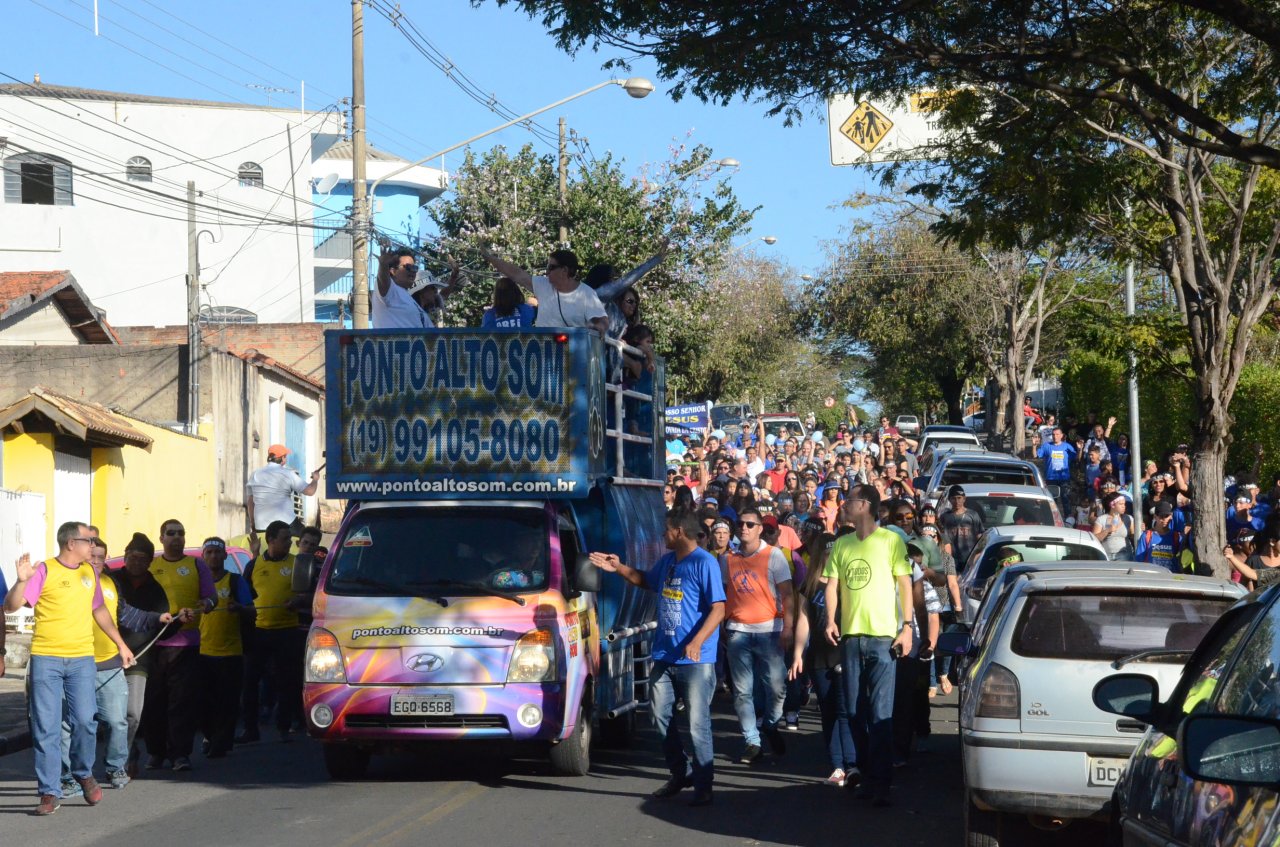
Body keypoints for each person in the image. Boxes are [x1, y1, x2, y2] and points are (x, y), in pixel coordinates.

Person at [589, 511, 725, 807]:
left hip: (696, 660)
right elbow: (645, 580)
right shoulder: (668, 562)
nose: (662, 536)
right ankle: (681, 772)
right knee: (659, 716)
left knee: (697, 723)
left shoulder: (705, 563)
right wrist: (620, 568)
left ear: (678, 531)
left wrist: (697, 642)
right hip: (665, 655)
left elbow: (718, 608)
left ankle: (704, 784)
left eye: (665, 531)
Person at [3, 524, 136, 816]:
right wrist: (21, 581)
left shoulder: (90, 573)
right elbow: (10, 606)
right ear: (71, 543)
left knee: (85, 722)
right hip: (47, 659)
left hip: (81, 660)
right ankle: (49, 791)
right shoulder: (45, 570)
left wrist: (121, 644)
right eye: (89, 541)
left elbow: (99, 610)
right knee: (46, 728)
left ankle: (83, 771)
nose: (93, 545)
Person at [822, 484, 913, 807]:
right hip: (851, 637)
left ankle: (881, 782)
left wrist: (907, 627)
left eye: (849, 500)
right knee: (854, 711)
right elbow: (831, 586)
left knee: (880, 713)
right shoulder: (843, 544)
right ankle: (867, 772)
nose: (844, 505)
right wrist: (831, 620)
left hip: (883, 638)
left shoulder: (890, 540)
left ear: (866, 505)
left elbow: (905, 583)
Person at [59, 538, 173, 794]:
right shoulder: (72, 583)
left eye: (101, 557)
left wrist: (158, 617)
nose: (96, 562)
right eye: (93, 556)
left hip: (109, 664)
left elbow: (127, 614)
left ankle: (115, 766)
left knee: (118, 721)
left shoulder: (111, 585)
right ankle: (70, 776)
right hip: (77, 663)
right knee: (75, 724)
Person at [721, 507, 793, 763]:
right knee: (742, 692)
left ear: (760, 528)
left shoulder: (774, 556)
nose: (744, 528)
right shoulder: (727, 559)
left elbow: (787, 594)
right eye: (740, 524)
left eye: (750, 524)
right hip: (738, 632)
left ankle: (771, 724)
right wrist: (722, 627)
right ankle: (752, 741)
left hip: (770, 631)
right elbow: (723, 594)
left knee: (776, 687)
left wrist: (789, 627)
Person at [143, 520, 216, 772]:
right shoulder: (151, 566)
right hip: (154, 643)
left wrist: (205, 606)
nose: (176, 538)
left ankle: (180, 754)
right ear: (161, 538)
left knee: (182, 702)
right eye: (171, 533)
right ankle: (155, 753)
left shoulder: (196, 565)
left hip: (186, 644)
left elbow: (211, 598)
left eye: (181, 533)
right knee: (154, 702)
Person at [788, 532, 858, 787]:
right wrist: (797, 653)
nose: (830, 556)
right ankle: (837, 764)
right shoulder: (809, 584)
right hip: (818, 656)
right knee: (828, 711)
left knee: (844, 711)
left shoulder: (846, 583)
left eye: (834, 552)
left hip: (843, 654)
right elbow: (803, 620)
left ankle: (851, 765)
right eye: (826, 552)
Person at [240, 520, 308, 744]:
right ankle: (250, 730)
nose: (290, 543)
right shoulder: (254, 565)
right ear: (271, 541)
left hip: (288, 632)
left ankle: (283, 727)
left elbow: (309, 593)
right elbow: (244, 596)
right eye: (285, 539)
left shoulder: (297, 563)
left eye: (290, 538)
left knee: (287, 682)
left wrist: (298, 600)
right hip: (260, 632)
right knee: (250, 682)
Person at [111, 533, 172, 778]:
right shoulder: (111, 582)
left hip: (139, 659)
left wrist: (178, 620)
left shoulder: (155, 590)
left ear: (149, 562)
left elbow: (162, 625)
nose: (136, 562)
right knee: (110, 715)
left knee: (133, 713)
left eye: (142, 559)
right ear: (125, 558)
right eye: (132, 557)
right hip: (109, 656)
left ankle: (125, 753)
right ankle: (120, 757)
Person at [197, 537, 254, 759]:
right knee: (204, 703)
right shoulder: (199, 584)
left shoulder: (235, 581)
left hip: (231, 652)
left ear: (224, 556)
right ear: (203, 556)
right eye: (209, 552)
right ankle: (210, 736)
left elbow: (252, 611)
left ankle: (221, 743)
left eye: (216, 552)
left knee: (227, 702)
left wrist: (239, 608)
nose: (213, 556)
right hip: (202, 652)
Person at [482, 248, 608, 334]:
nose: (546, 272)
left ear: (565, 270)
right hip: (544, 355)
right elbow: (515, 273)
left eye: (551, 267)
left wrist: (600, 326)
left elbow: (602, 320)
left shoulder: (587, 293)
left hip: (572, 358)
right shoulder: (542, 284)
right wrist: (489, 257)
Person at [372, 246, 460, 329]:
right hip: (399, 345)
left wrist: (454, 276)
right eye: (408, 267)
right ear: (393, 271)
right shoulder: (390, 290)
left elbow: (441, 296)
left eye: (415, 268)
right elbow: (383, 280)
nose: (413, 271)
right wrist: (383, 265)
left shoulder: (411, 301)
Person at [246, 444, 319, 536]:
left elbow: (250, 501)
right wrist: (315, 479)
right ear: (282, 458)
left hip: (261, 525)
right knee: (308, 537)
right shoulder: (288, 474)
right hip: (286, 524)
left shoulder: (255, 474)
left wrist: (253, 523)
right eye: (285, 456)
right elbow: (310, 491)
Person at [940, 486, 985, 569]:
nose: (957, 501)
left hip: (970, 559)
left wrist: (976, 556)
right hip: (951, 559)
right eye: (954, 498)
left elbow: (980, 538)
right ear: (949, 499)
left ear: (964, 498)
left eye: (959, 498)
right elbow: (941, 540)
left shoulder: (973, 515)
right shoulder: (945, 517)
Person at [1134, 501, 1183, 571]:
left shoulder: (1176, 537)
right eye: (1161, 516)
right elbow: (1139, 561)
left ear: (1171, 516)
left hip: (1171, 578)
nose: (1164, 519)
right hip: (1152, 578)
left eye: (1167, 516)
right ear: (1155, 517)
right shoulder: (1146, 536)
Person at [1094, 491, 1134, 560]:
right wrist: (1107, 531)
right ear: (1112, 505)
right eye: (1121, 504)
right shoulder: (1101, 519)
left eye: (1124, 504)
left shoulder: (1128, 518)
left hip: (1124, 554)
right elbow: (1094, 539)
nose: (1124, 506)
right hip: (1106, 555)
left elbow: (1133, 536)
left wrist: (1140, 530)